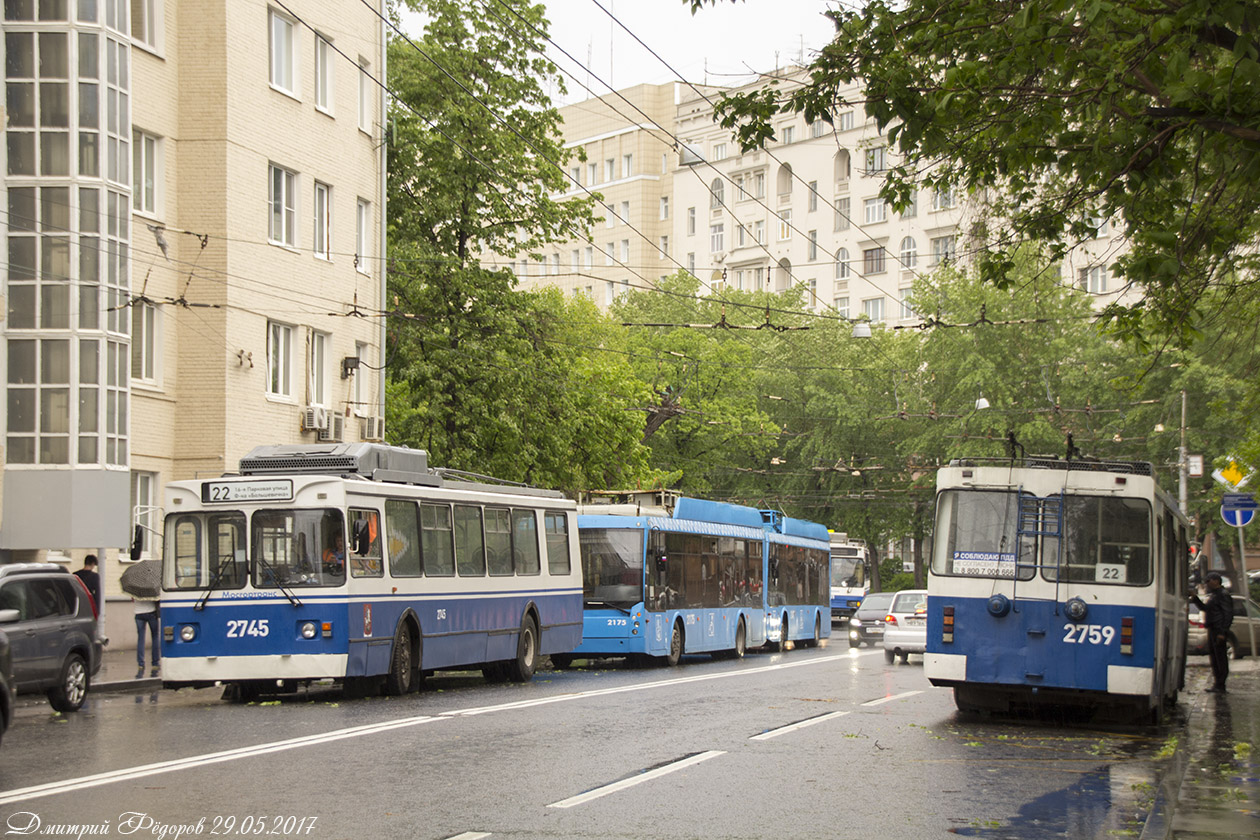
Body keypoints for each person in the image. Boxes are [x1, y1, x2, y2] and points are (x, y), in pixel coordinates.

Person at [1191, 571, 1234, 693]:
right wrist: (1195, 598)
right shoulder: (1214, 595)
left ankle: (1221, 684)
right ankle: (1217, 683)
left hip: (1218, 630)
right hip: (1212, 629)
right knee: (1214, 657)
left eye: (1208, 581)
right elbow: (1206, 609)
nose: (1207, 584)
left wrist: (1222, 631)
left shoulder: (1223, 595)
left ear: (1216, 581)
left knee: (1220, 658)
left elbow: (1227, 614)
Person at [134, 595, 160, 679]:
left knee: (140, 639)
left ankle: (141, 664)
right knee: (155, 637)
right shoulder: (151, 584)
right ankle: (155, 664)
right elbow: (156, 597)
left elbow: (132, 599)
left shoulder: (133, 585)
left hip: (138, 613)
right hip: (151, 612)